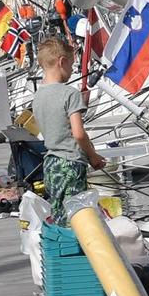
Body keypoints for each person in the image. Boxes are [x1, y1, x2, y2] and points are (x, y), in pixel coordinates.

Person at [33, 36, 108, 212]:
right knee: (77, 215)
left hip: (51, 163)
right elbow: (78, 134)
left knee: (59, 213)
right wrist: (93, 156)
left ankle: (57, 240)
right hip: (71, 163)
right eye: (72, 65)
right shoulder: (70, 94)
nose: (72, 69)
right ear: (62, 61)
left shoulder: (38, 95)